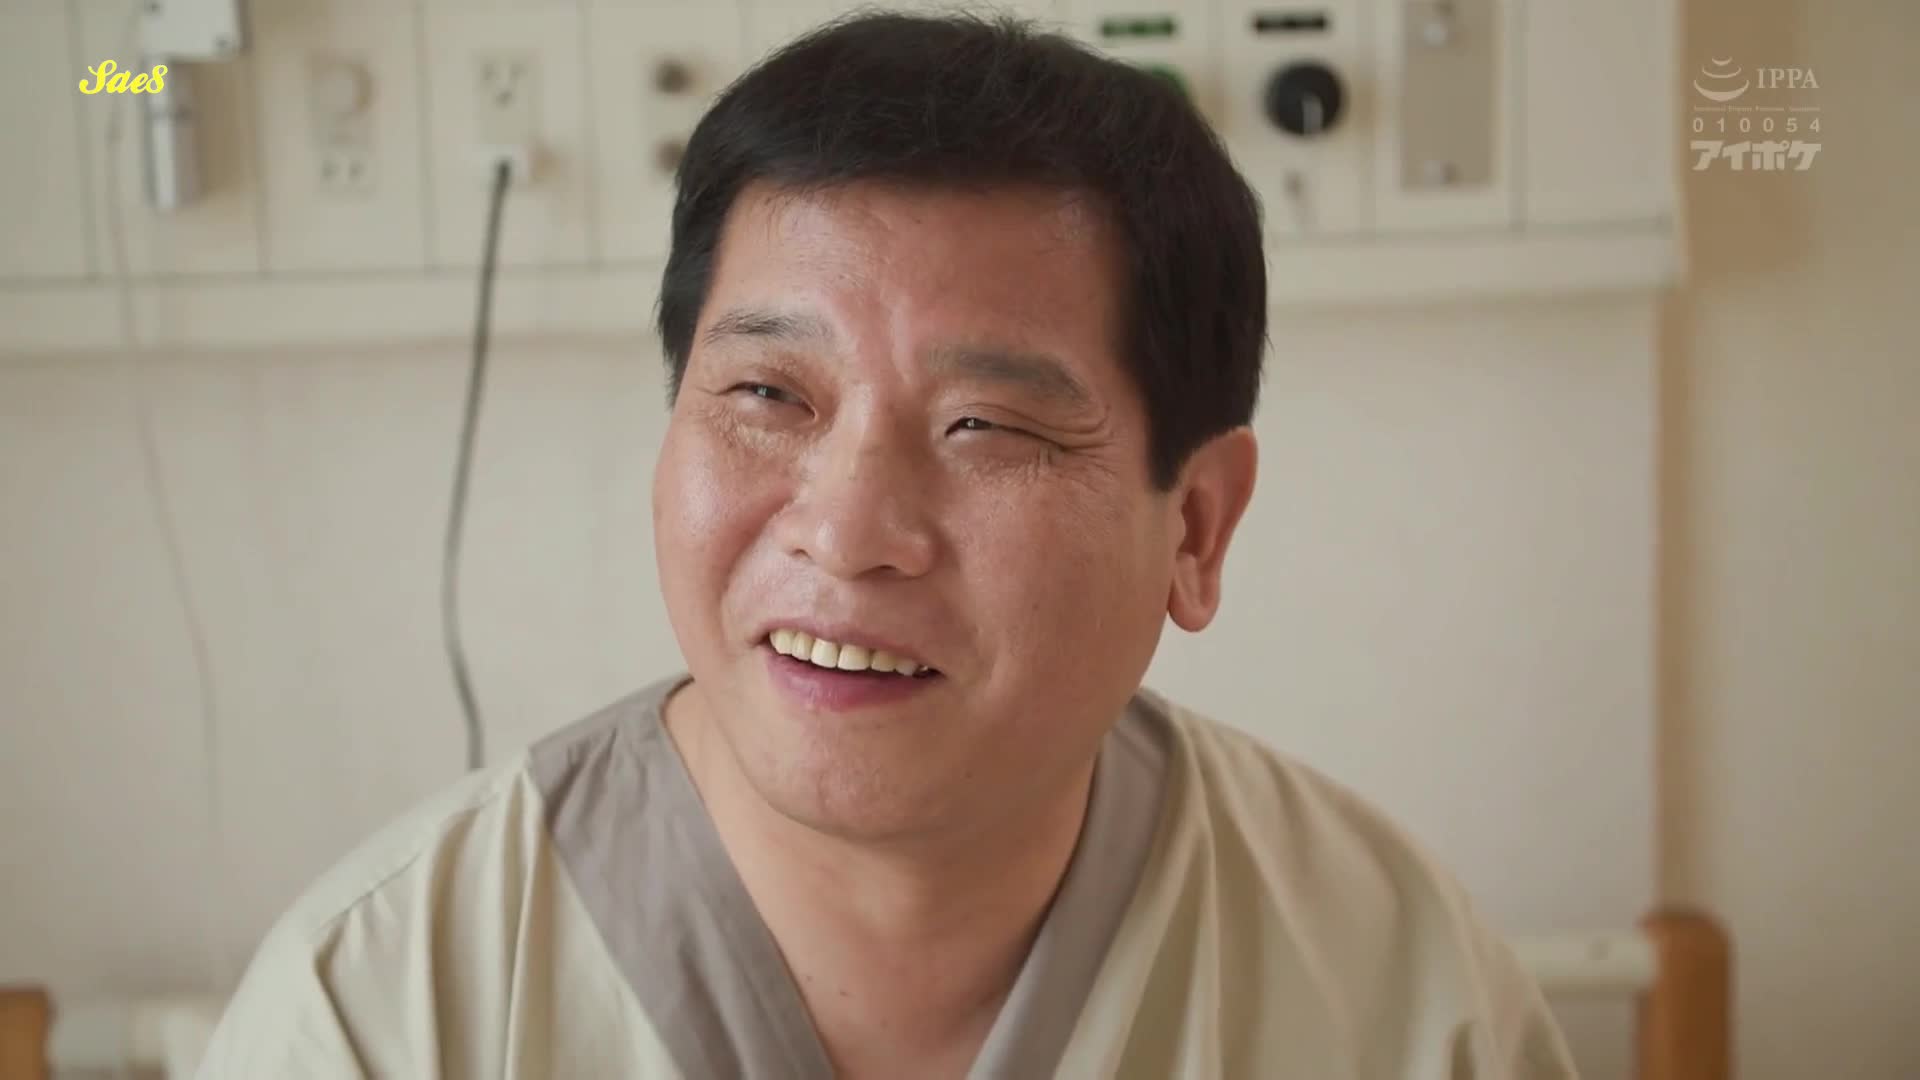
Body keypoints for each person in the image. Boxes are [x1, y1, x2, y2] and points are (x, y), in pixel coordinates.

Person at [196, 11, 1576, 1079]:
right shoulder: (384, 1014)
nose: (848, 533)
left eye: (987, 427)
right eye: (766, 396)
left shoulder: (1396, 993)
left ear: (1198, 526)